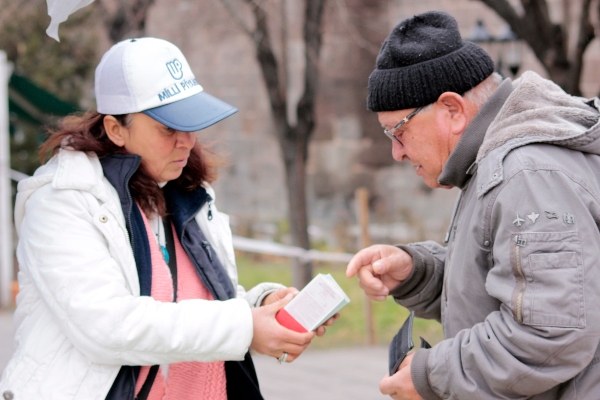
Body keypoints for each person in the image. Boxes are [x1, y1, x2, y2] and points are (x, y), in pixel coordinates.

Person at [0, 37, 335, 400]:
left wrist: (262, 306)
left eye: (191, 123)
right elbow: (110, 326)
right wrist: (245, 326)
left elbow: (203, 302)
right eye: (168, 128)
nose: (187, 142)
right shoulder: (61, 201)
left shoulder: (184, 192)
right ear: (116, 129)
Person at [346, 10, 600, 400]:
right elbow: (515, 281)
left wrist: (431, 373)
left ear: (452, 110)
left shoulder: (528, 174)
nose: (395, 152)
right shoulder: (502, 163)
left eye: (398, 131)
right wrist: (418, 272)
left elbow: (551, 333)